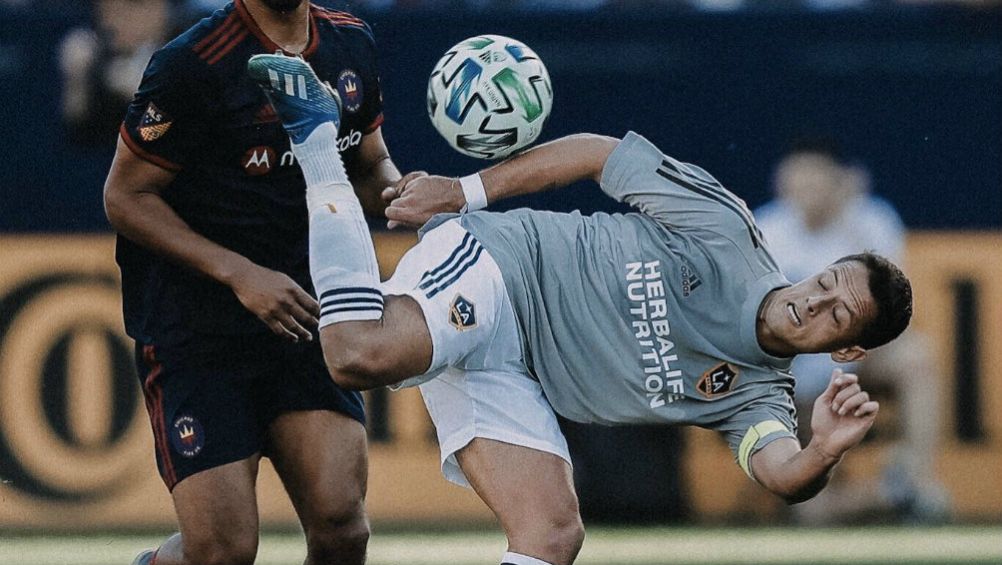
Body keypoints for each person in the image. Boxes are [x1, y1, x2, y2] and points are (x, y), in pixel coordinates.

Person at [249, 54, 913, 565]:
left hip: (515, 372)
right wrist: (465, 191)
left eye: (837, 315)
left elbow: (781, 474)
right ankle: (316, 140)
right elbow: (600, 156)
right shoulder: (729, 231)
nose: (815, 300)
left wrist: (822, 448)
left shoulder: (754, 397)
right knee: (358, 353)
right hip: (504, 267)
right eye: (827, 282)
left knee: (553, 536)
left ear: (847, 349)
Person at [103, 1, 402, 564]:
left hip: (300, 317)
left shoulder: (350, 44)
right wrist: (240, 274)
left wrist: (403, 191)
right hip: (198, 329)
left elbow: (369, 164)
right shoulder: (193, 62)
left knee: (343, 529)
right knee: (224, 550)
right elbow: (124, 197)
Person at [754, 139, 948, 523]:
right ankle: (893, 495)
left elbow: (890, 309)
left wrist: (847, 218)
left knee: (916, 358)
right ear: (782, 182)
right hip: (794, 380)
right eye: (799, 177)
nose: (806, 187)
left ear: (837, 179)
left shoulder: (870, 219)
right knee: (814, 512)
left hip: (856, 358)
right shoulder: (765, 229)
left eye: (815, 177)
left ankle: (920, 481)